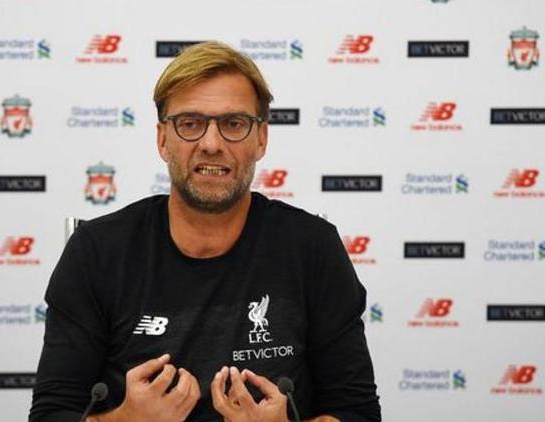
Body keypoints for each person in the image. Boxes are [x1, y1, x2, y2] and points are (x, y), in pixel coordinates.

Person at [29, 41, 380, 422]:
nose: (211, 144)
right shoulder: (97, 252)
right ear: (163, 139)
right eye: (191, 124)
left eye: (233, 124)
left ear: (261, 138)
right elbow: (51, 413)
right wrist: (126, 419)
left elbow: (357, 412)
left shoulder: (313, 247)